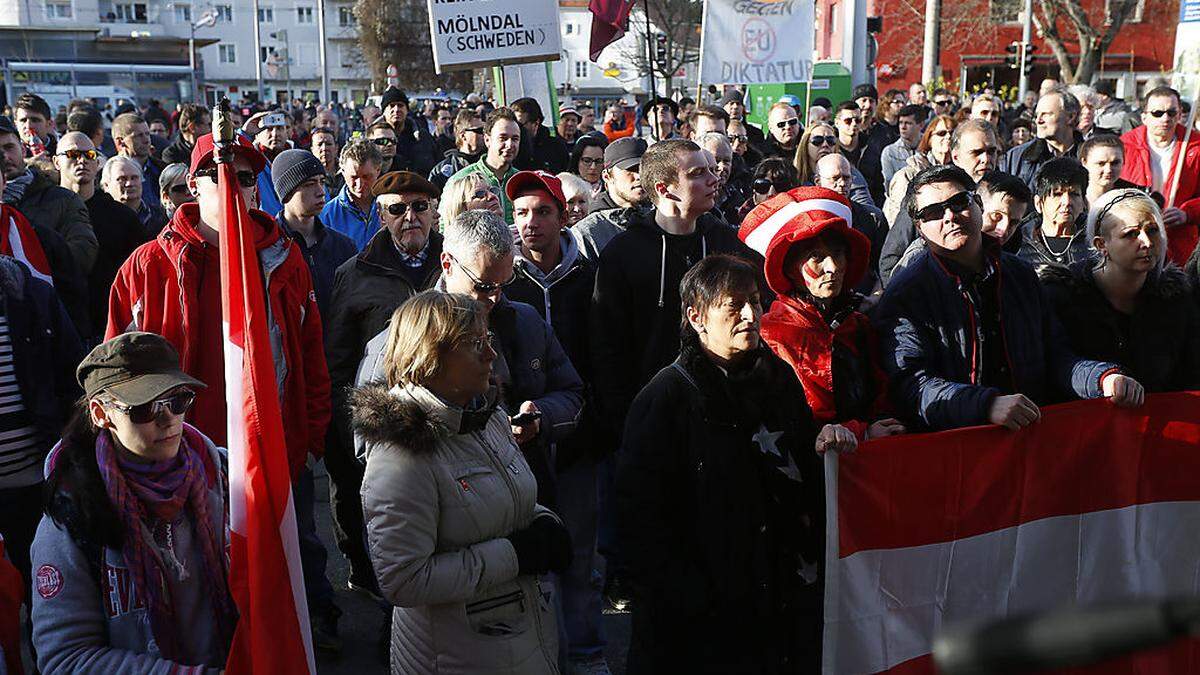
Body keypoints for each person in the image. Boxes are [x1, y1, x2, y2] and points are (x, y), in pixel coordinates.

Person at [617, 254, 843, 674]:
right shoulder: (665, 399)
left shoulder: (778, 378)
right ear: (697, 317)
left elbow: (802, 467)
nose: (751, 314)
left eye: (756, 301)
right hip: (705, 617)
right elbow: (640, 518)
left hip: (781, 595)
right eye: (734, 305)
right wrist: (687, 595)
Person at [349, 291, 566, 674]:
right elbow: (404, 580)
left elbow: (510, 500)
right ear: (430, 358)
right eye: (473, 345)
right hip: (454, 655)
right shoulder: (401, 454)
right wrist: (516, 554)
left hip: (515, 639)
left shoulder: (487, 417)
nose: (490, 355)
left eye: (488, 340)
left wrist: (545, 520)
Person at [107, 133, 330, 481]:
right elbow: (116, 375)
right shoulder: (147, 266)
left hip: (273, 460)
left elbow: (312, 354)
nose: (231, 185)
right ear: (193, 184)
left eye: (244, 178)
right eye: (219, 173)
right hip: (173, 465)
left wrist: (309, 443)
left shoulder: (285, 259)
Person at [872, 164, 1145, 432]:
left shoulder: (1021, 275)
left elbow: (1056, 356)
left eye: (958, 203)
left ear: (978, 203)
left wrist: (1103, 379)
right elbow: (911, 385)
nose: (949, 217)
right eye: (933, 212)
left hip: (1029, 439)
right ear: (919, 227)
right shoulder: (906, 293)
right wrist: (986, 406)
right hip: (957, 451)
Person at [32, 332, 234, 673]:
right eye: (144, 407)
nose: (168, 418)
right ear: (100, 413)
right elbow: (65, 658)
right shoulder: (72, 513)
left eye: (178, 400)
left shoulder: (226, 479)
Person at [590, 139, 759, 456]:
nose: (714, 178)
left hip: (727, 413)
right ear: (664, 188)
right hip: (652, 421)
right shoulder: (623, 254)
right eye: (698, 173)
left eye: (712, 169)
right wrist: (624, 421)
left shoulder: (726, 243)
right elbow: (607, 348)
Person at [504, 171, 608, 673]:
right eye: (521, 213)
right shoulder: (503, 280)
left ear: (564, 215)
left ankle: (586, 652)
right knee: (528, 561)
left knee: (580, 558)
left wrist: (594, 424)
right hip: (516, 446)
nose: (530, 223)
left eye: (542, 211)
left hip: (578, 441)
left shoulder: (590, 275)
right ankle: (540, 655)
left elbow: (605, 358)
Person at [325, 171, 444, 596]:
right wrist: (352, 431)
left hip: (447, 424)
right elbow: (338, 363)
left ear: (435, 213)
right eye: (397, 208)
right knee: (388, 541)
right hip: (384, 428)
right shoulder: (353, 274)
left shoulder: (456, 263)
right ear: (380, 215)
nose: (409, 216)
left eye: (420, 207)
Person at [436, 209, 585, 507]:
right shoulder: (410, 333)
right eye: (483, 286)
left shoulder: (527, 320)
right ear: (448, 264)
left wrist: (541, 416)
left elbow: (572, 394)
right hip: (455, 502)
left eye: (504, 283)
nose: (494, 297)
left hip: (529, 493)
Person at [740, 187, 902, 440]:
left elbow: (881, 391)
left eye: (838, 253)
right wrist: (862, 433)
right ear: (791, 268)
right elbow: (793, 421)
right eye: (816, 257)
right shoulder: (773, 334)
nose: (833, 267)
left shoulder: (858, 324)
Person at [1044, 189, 1200, 392]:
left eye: (1152, 230)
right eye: (1131, 234)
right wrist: (1103, 379)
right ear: (1101, 244)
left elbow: (1191, 371)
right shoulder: (1062, 295)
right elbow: (1057, 363)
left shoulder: (1175, 297)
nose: (1146, 242)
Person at [879, 118, 1001, 284]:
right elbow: (890, 260)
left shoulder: (1006, 195)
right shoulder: (926, 195)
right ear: (956, 156)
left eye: (991, 151)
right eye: (976, 152)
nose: (986, 159)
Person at [54, 132, 147, 343]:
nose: (82, 161)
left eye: (89, 155)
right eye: (72, 154)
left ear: (97, 164)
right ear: (56, 162)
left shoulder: (122, 217)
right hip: (58, 329)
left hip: (110, 330)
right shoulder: (43, 213)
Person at [0, 116, 96, 277]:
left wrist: (35, 242)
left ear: (23, 149)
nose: (5, 157)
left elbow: (83, 254)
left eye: (9, 147)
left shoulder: (63, 200)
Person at [1118, 86, 1200, 265]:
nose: (1165, 118)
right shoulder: (1125, 146)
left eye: (1172, 112)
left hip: (1179, 242)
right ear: (1144, 117)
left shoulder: (1195, 146)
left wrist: (1187, 213)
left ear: (1179, 115)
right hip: (1135, 238)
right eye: (1157, 113)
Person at [815, 154, 887, 298]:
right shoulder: (810, 220)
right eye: (835, 179)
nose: (842, 183)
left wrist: (876, 295)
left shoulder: (872, 218)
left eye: (846, 178)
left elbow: (884, 265)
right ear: (818, 182)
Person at [572, 136, 649, 260]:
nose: (639, 176)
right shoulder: (588, 232)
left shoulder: (661, 217)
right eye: (631, 169)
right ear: (607, 176)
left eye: (644, 168)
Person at [1018, 157, 1093, 275]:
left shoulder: (1095, 243)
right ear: (1038, 203)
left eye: (1074, 194)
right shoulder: (1018, 242)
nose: (1067, 202)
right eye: (1057, 194)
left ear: (1084, 202)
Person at [449, 107, 522, 223]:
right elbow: (446, 226)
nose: (509, 144)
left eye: (515, 139)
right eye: (503, 138)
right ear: (487, 140)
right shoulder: (461, 179)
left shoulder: (523, 181)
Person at [1004, 86, 1082, 189]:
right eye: (1037, 115)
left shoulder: (1091, 157)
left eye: (1046, 114)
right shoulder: (1015, 158)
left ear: (1071, 117)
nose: (1038, 121)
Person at [883, 114, 957, 223]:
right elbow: (897, 221)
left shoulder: (961, 173)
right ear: (929, 139)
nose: (948, 137)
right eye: (942, 133)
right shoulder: (907, 175)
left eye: (952, 133)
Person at [321, 138, 383, 250]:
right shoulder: (328, 215)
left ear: (378, 170)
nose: (360, 184)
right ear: (343, 172)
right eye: (354, 177)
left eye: (366, 177)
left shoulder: (392, 208)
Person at [112, 113, 166, 221]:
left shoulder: (161, 169)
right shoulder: (109, 173)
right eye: (139, 136)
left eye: (147, 134)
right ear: (120, 141)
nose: (147, 140)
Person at [379, 87, 439, 175]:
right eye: (392, 106)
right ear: (384, 112)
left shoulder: (422, 137)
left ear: (407, 110)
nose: (396, 110)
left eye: (400, 105)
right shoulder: (375, 139)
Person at [102, 156, 167, 237]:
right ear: (106, 185)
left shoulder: (161, 216)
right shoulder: (100, 219)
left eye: (134, 178)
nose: (129, 184)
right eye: (122, 179)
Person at [428, 109, 485, 190]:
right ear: (463, 135)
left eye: (484, 130)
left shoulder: (491, 163)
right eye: (479, 130)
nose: (484, 134)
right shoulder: (441, 171)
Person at [512, 97, 570, 174]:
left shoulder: (556, 147)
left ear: (536, 123)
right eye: (513, 124)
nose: (516, 129)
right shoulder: (510, 146)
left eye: (519, 124)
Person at [1080, 134, 1138, 205]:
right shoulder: (1072, 194)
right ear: (1084, 163)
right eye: (1101, 163)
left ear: (1124, 161)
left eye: (1115, 163)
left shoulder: (1133, 197)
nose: (1108, 170)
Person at [881, 104, 926, 187]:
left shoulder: (930, 147)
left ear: (921, 125)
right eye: (900, 123)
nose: (902, 127)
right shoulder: (890, 152)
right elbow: (889, 185)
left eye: (908, 123)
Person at [438, 171, 504, 226]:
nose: (492, 196)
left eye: (492, 190)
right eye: (480, 194)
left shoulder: (512, 237)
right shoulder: (455, 241)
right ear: (462, 208)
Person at [310, 126, 341, 194]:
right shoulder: (308, 175)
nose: (324, 148)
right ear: (312, 150)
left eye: (328, 144)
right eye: (319, 144)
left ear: (336, 148)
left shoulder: (347, 170)